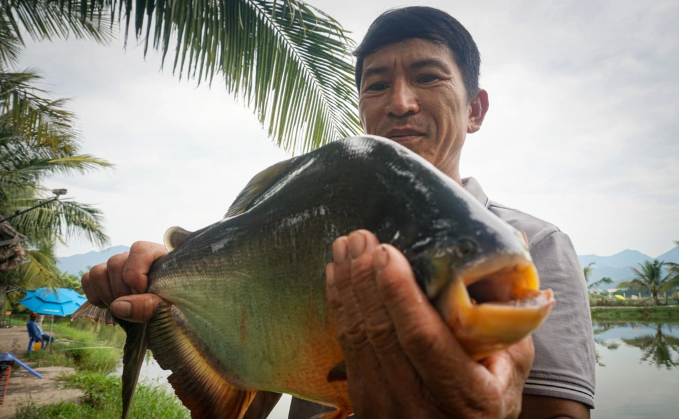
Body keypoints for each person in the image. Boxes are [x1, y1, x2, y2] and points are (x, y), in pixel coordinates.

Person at [81, 6, 595, 419]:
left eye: (428, 77)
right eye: (375, 86)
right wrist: (158, 282)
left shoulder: (536, 243)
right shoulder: (312, 214)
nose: (400, 102)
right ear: (362, 109)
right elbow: (239, 407)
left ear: (475, 109)